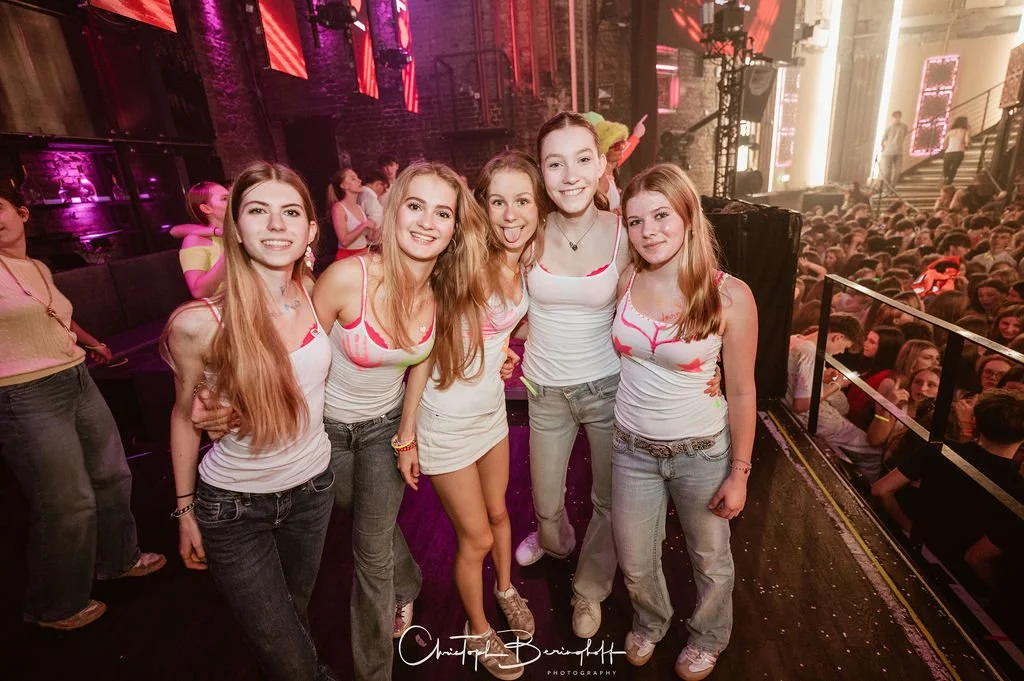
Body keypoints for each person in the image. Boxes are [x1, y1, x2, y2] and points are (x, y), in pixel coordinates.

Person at [162, 163, 338, 681]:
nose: (277, 224)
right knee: (289, 655)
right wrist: (185, 511)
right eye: (258, 211)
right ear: (235, 230)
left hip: (313, 491)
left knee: (293, 619)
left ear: (310, 229)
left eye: (291, 212)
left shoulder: (314, 292)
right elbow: (184, 419)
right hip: (235, 507)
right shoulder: (200, 323)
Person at [314, 161, 488, 681]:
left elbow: (421, 365)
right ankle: (409, 579)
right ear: (393, 212)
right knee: (370, 521)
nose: (427, 222)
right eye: (415, 206)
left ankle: (374, 672)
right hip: (323, 430)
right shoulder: (347, 278)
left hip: (380, 430)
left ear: (454, 228)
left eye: (443, 213)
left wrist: (406, 435)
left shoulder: (441, 294)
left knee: (369, 551)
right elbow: (296, 361)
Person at [394, 151, 546, 679]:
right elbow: (425, 353)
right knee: (476, 537)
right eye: (497, 201)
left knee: (500, 514)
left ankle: (504, 590)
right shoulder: (465, 265)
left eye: (521, 201)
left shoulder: (524, 265)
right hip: (445, 422)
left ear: (537, 206)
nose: (510, 214)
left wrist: (504, 351)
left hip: (490, 413)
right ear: (481, 207)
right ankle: (476, 629)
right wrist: (407, 433)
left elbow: (505, 326)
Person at [611, 164, 757, 681]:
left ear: (689, 216)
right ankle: (650, 621)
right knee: (634, 559)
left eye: (661, 216)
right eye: (635, 221)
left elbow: (743, 390)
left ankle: (709, 636)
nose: (648, 231)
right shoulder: (628, 279)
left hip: (701, 452)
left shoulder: (730, 295)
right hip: (631, 448)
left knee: (710, 559)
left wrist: (740, 472)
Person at [0, 187, 165, 631]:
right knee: (66, 500)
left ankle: (118, 559)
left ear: (22, 213)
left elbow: (53, 313)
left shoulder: (35, 266)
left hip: (76, 377)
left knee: (112, 474)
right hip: (23, 392)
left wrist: (92, 342)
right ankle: (53, 604)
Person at [176, 182, 230, 298]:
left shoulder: (242, 229)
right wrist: (231, 251)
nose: (232, 201)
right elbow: (199, 292)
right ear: (206, 208)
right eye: (225, 199)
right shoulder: (195, 240)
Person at [330, 166, 377, 260]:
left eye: (357, 177)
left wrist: (374, 228)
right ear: (344, 186)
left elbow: (369, 238)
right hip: (348, 257)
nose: (359, 180)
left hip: (363, 253)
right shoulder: (338, 208)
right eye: (353, 178)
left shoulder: (359, 207)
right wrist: (364, 225)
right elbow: (344, 241)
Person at [879, 111, 909, 191]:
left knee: (897, 171)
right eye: (895, 117)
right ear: (892, 118)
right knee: (887, 172)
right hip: (888, 152)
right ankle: (886, 189)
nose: (897, 119)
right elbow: (883, 140)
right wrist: (883, 147)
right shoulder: (889, 128)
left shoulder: (904, 127)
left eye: (898, 117)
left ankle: (892, 188)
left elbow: (904, 135)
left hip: (899, 152)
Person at [942, 116, 969, 186]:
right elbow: (967, 142)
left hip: (948, 152)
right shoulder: (965, 131)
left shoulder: (950, 131)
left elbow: (944, 143)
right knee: (953, 169)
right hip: (958, 152)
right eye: (966, 122)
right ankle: (949, 184)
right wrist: (967, 144)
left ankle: (945, 181)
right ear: (963, 123)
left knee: (946, 170)